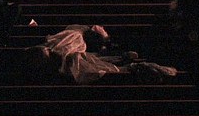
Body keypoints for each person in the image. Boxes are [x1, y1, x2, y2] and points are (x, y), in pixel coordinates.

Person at [22, 24, 176, 85]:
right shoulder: (75, 37)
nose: (102, 27)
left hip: (62, 58)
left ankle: (131, 66)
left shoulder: (77, 39)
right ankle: (131, 66)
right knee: (83, 60)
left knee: (84, 59)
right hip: (60, 59)